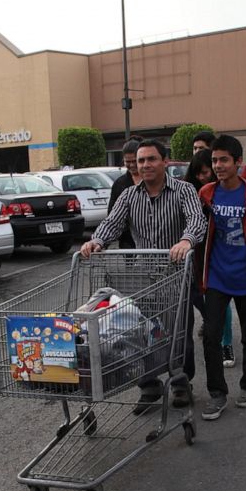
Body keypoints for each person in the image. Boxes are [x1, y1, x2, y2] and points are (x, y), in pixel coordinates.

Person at [80, 139, 206, 413]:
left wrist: (186, 240)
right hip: (141, 277)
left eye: (151, 159)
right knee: (139, 331)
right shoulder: (129, 195)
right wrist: (97, 241)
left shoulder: (183, 191)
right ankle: (148, 385)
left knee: (177, 332)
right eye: (141, 161)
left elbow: (197, 220)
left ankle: (180, 383)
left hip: (175, 275)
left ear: (165, 162)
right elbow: (112, 223)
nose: (145, 165)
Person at [198, 135, 246, 420]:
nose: (217, 165)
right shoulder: (206, 193)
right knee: (211, 336)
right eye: (214, 160)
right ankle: (217, 393)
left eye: (223, 160)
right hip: (217, 278)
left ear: (238, 162)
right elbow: (197, 236)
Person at [184, 150, 236, 368]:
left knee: (220, 301)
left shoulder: (221, 192)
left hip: (217, 253)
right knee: (198, 297)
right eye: (198, 174)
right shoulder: (188, 191)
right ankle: (211, 325)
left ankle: (226, 343)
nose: (202, 177)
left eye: (205, 172)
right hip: (195, 252)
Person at [107, 135, 143, 249]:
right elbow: (111, 216)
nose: (132, 165)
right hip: (128, 241)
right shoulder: (120, 184)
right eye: (128, 162)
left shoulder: (151, 180)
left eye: (135, 161)